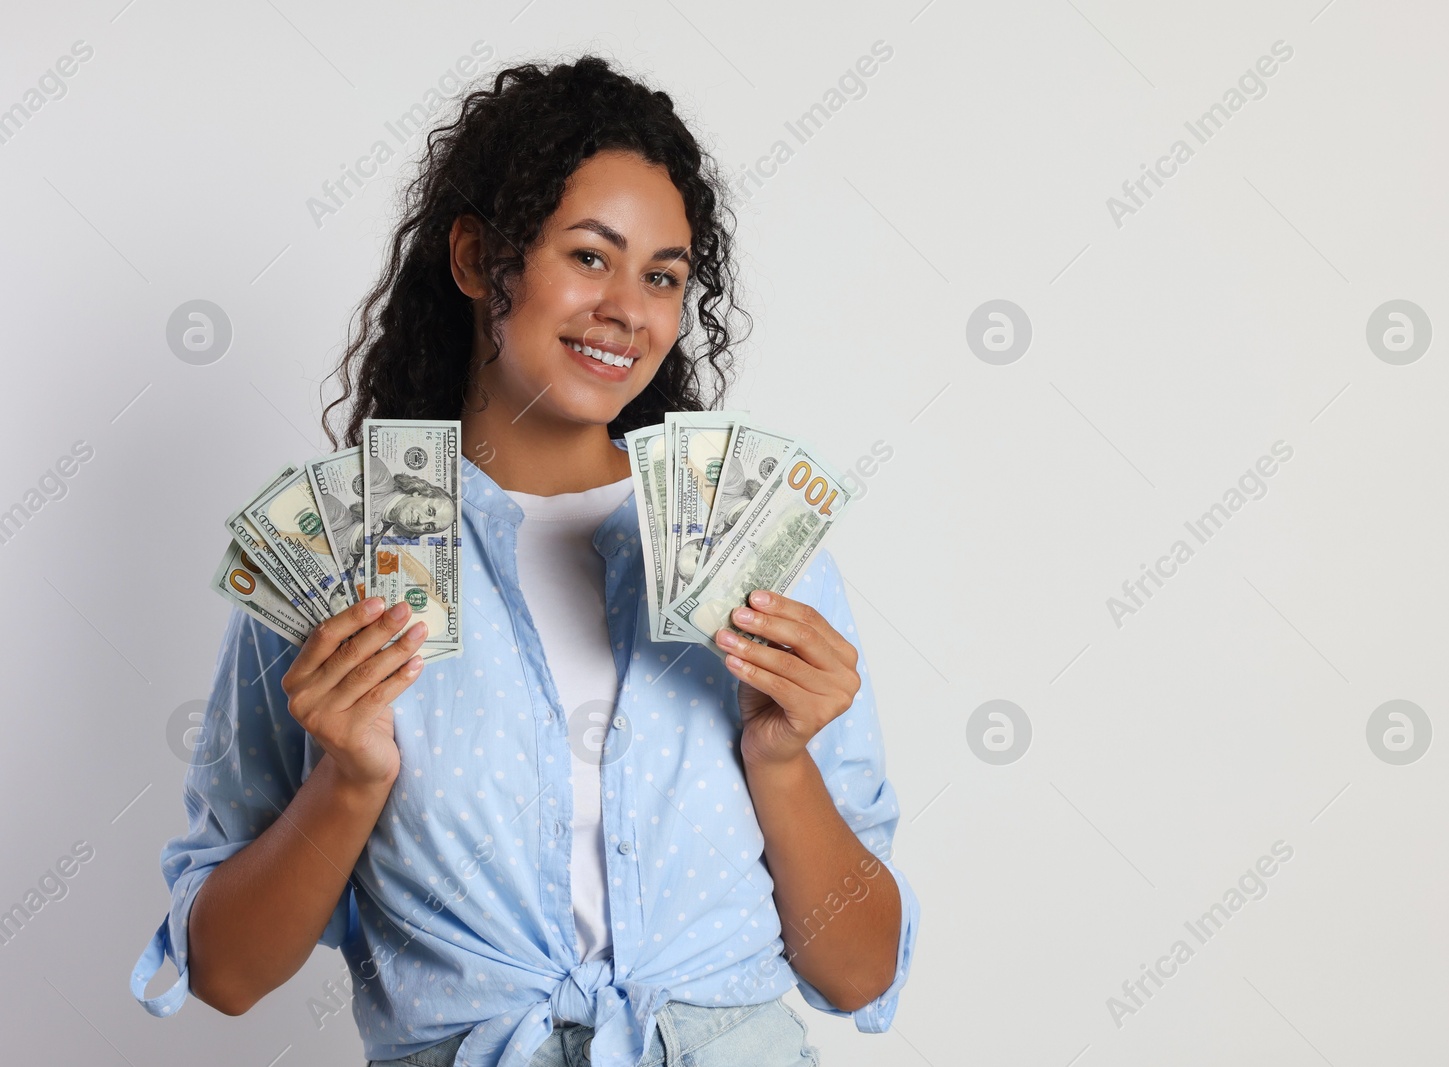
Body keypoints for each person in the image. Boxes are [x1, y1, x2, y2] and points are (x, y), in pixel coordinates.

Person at [128, 55, 919, 1067]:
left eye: (664, 276)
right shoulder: (342, 557)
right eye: (589, 256)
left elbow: (857, 970)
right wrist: (348, 777)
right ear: (475, 258)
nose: (629, 310)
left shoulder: (756, 557)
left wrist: (780, 755)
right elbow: (227, 972)